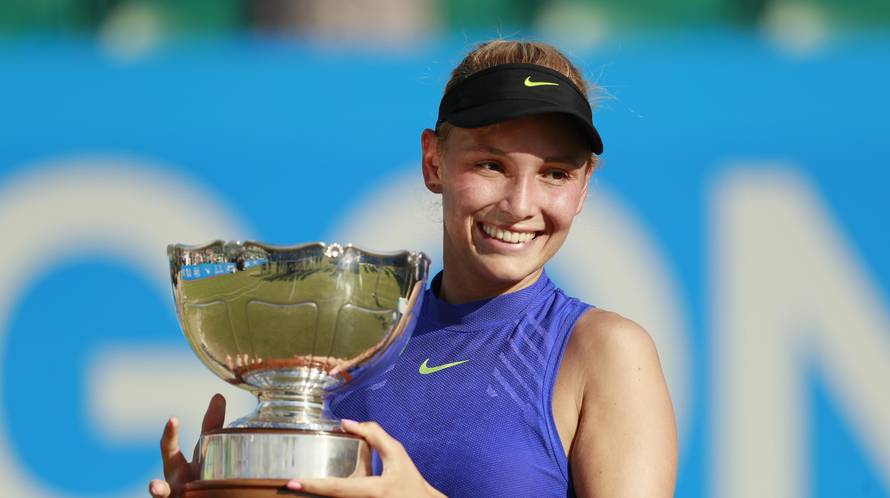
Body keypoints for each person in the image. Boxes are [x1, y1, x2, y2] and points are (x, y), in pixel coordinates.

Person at [149, 40, 677, 498]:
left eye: (555, 173)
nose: (521, 204)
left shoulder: (604, 351)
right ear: (434, 163)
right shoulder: (357, 342)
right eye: (491, 165)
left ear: (583, 189)